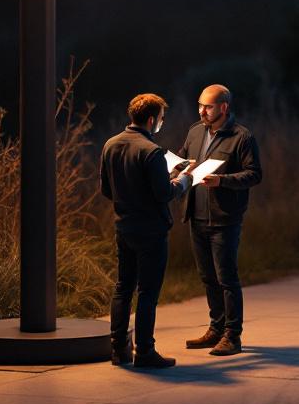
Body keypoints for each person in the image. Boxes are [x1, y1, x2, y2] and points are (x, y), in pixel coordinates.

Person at [100, 92, 193, 368]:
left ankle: (118, 350)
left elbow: (107, 189)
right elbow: (164, 194)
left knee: (123, 287)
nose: (161, 124)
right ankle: (145, 351)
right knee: (148, 292)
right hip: (151, 231)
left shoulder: (110, 144)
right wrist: (184, 180)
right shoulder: (152, 151)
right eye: (161, 119)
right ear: (152, 120)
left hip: (123, 226)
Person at [178, 84, 262, 356]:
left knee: (226, 278)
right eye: (200, 105)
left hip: (224, 219)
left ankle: (232, 336)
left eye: (208, 106)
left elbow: (254, 174)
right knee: (207, 277)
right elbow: (184, 160)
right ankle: (216, 328)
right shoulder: (195, 131)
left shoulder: (242, 137)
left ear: (223, 107)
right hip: (197, 216)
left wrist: (222, 181)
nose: (202, 111)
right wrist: (177, 167)